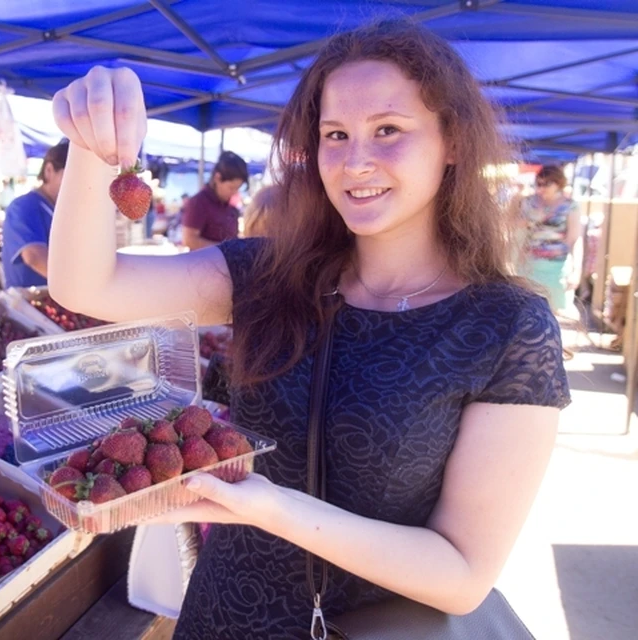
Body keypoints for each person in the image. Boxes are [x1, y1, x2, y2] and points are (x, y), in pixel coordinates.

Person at [48, 19, 569, 638]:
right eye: (335, 134)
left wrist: (274, 508)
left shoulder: (506, 327)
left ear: (452, 140)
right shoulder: (269, 274)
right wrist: (89, 145)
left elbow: (461, 573)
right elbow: (86, 286)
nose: (356, 161)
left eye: (388, 131)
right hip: (222, 618)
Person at [1, 141, 68, 288]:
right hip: (31, 304)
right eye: (73, 176)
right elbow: (35, 256)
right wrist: (77, 288)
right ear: (49, 170)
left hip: (62, 302)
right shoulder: (23, 207)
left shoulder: (65, 210)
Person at [519, 165, 581, 312]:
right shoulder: (528, 202)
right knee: (526, 311)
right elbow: (509, 225)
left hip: (556, 268)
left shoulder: (569, 206)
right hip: (529, 265)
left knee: (551, 313)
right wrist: (529, 220)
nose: (542, 188)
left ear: (558, 183)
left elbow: (575, 239)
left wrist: (576, 271)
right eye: (539, 183)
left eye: (546, 184)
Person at [180, 151, 248, 250]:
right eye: (231, 187)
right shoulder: (198, 203)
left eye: (237, 188)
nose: (234, 192)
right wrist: (226, 251)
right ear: (217, 178)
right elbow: (189, 240)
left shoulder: (231, 206)